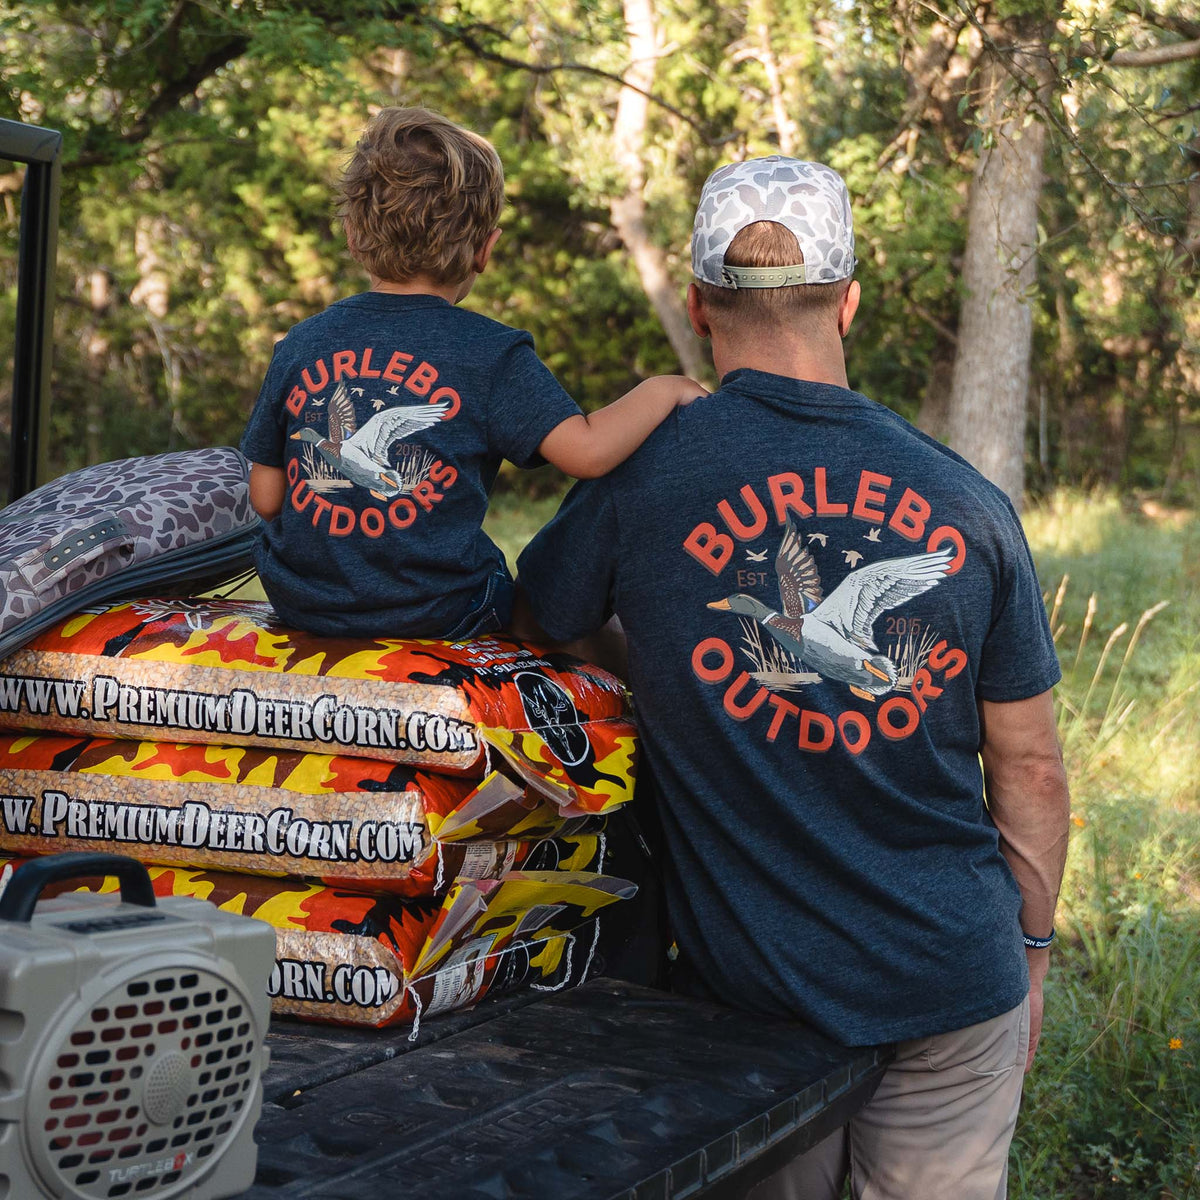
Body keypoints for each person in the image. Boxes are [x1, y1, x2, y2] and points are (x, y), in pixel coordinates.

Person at [513, 156, 1071, 1199]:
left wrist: (661, 672)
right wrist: (1031, 950)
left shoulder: (641, 479)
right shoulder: (968, 500)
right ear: (848, 301)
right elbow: (1029, 767)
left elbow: (538, 623)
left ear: (698, 306)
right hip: (952, 985)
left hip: (753, 1006)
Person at [241, 106, 703, 640]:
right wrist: (665, 388)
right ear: (486, 249)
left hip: (304, 605)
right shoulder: (492, 353)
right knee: (538, 599)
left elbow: (266, 499)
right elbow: (588, 452)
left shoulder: (301, 343)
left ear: (351, 235)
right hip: (439, 611)